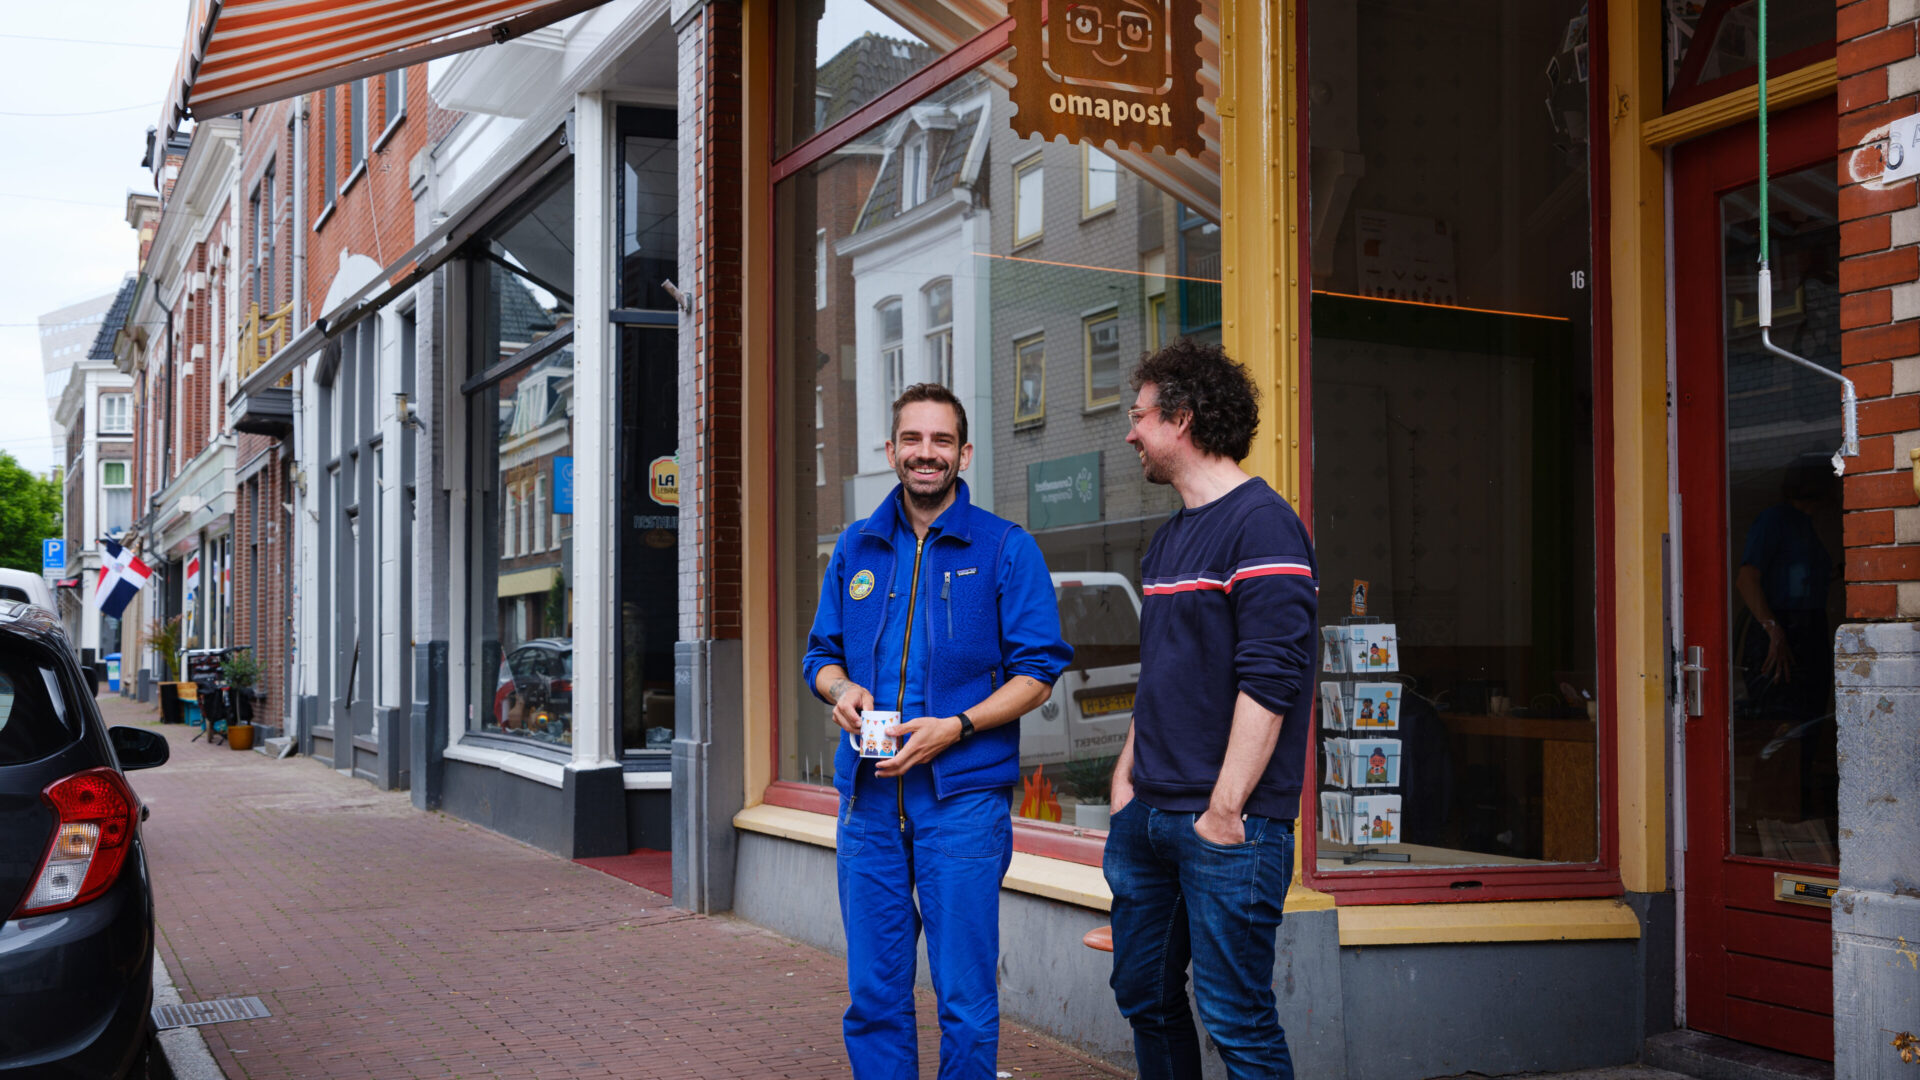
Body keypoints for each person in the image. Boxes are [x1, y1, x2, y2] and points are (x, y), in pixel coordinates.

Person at [802, 383, 1072, 1080]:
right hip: (867, 805)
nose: (927, 454)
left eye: (942, 441)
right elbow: (820, 654)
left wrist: (956, 727)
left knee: (966, 1000)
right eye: (913, 441)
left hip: (963, 806)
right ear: (891, 450)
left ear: (964, 452)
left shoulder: (1006, 549)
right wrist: (841, 689)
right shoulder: (856, 548)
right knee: (874, 997)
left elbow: (1039, 672)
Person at [1104, 340, 1318, 1080]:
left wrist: (1225, 810)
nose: (1130, 432)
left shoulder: (1263, 525)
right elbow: (1163, 674)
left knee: (1236, 1019)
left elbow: (1272, 681)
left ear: (1183, 419)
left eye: (1138, 416)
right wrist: (1126, 779)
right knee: (1145, 998)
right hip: (1148, 819)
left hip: (1227, 826)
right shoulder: (1167, 541)